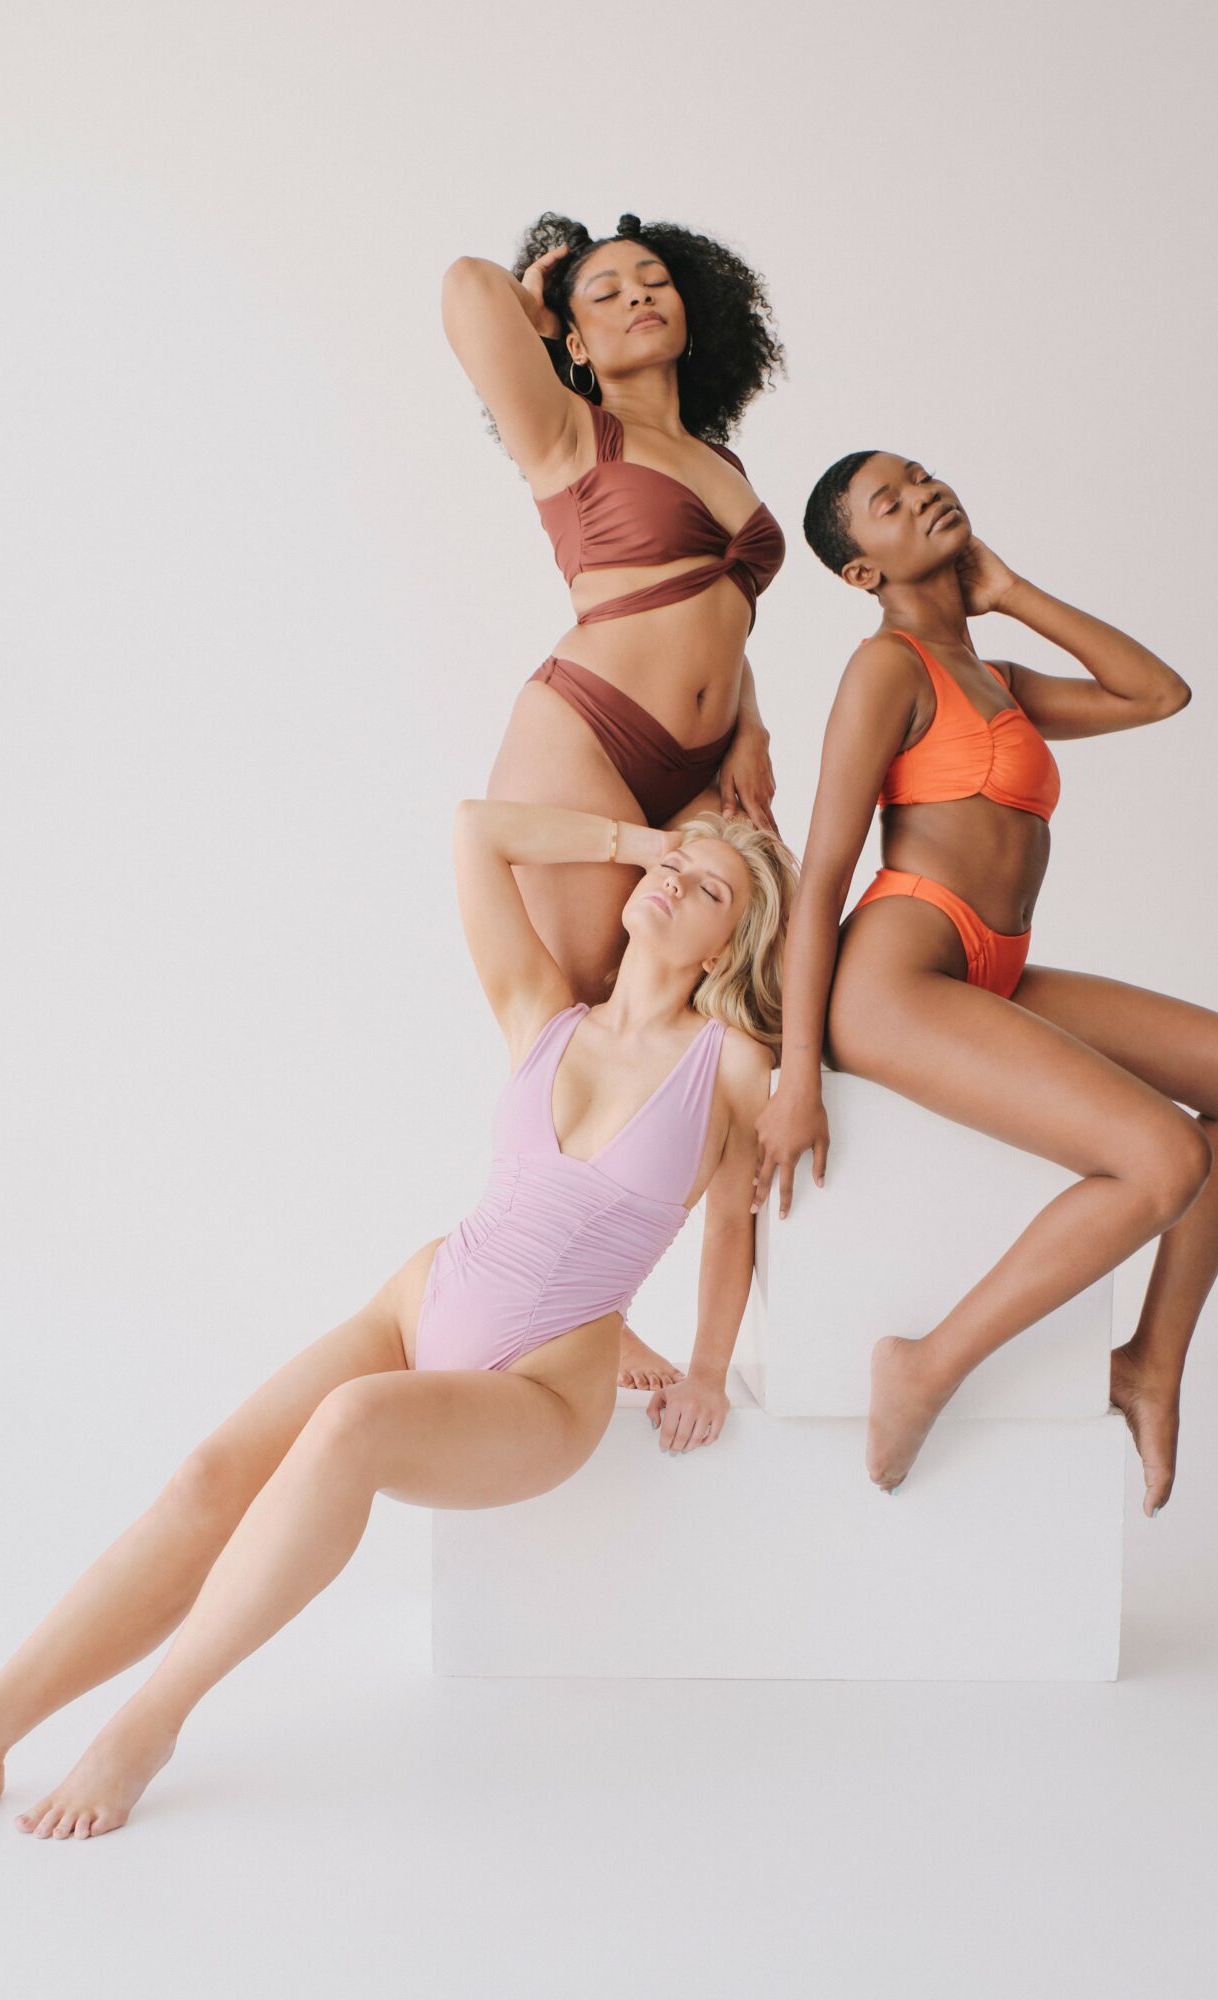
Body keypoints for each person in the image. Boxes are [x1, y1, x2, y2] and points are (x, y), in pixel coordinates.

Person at [0, 798, 795, 1843]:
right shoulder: (540, 1011)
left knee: (352, 1421)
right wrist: (638, 843)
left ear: (729, 939)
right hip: (421, 1302)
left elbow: (730, 1224)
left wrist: (703, 1364)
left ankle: (148, 1722)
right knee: (204, 1478)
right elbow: (476, 831)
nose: (674, 883)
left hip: (544, 1384)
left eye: (709, 889)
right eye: (672, 866)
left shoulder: (727, 1063)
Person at [754, 450, 1218, 1513]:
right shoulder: (887, 669)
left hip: (986, 966)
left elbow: (1157, 692)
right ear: (861, 571)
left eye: (920, 478)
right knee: (1162, 1154)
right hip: (895, 976)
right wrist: (795, 1071)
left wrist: (1005, 592)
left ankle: (1149, 1361)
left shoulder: (994, 674)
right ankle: (926, 1363)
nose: (921, 496)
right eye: (890, 503)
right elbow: (821, 874)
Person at [443, 208, 787, 1389]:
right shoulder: (566, 432)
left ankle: (655, 1289)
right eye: (607, 293)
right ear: (575, 342)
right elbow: (460, 287)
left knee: (721, 1011)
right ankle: (582, 1302)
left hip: (701, 766)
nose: (639, 296)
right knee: (586, 1012)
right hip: (588, 733)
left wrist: (748, 719)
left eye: (655, 281)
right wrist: (540, 306)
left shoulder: (722, 464)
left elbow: (720, 612)